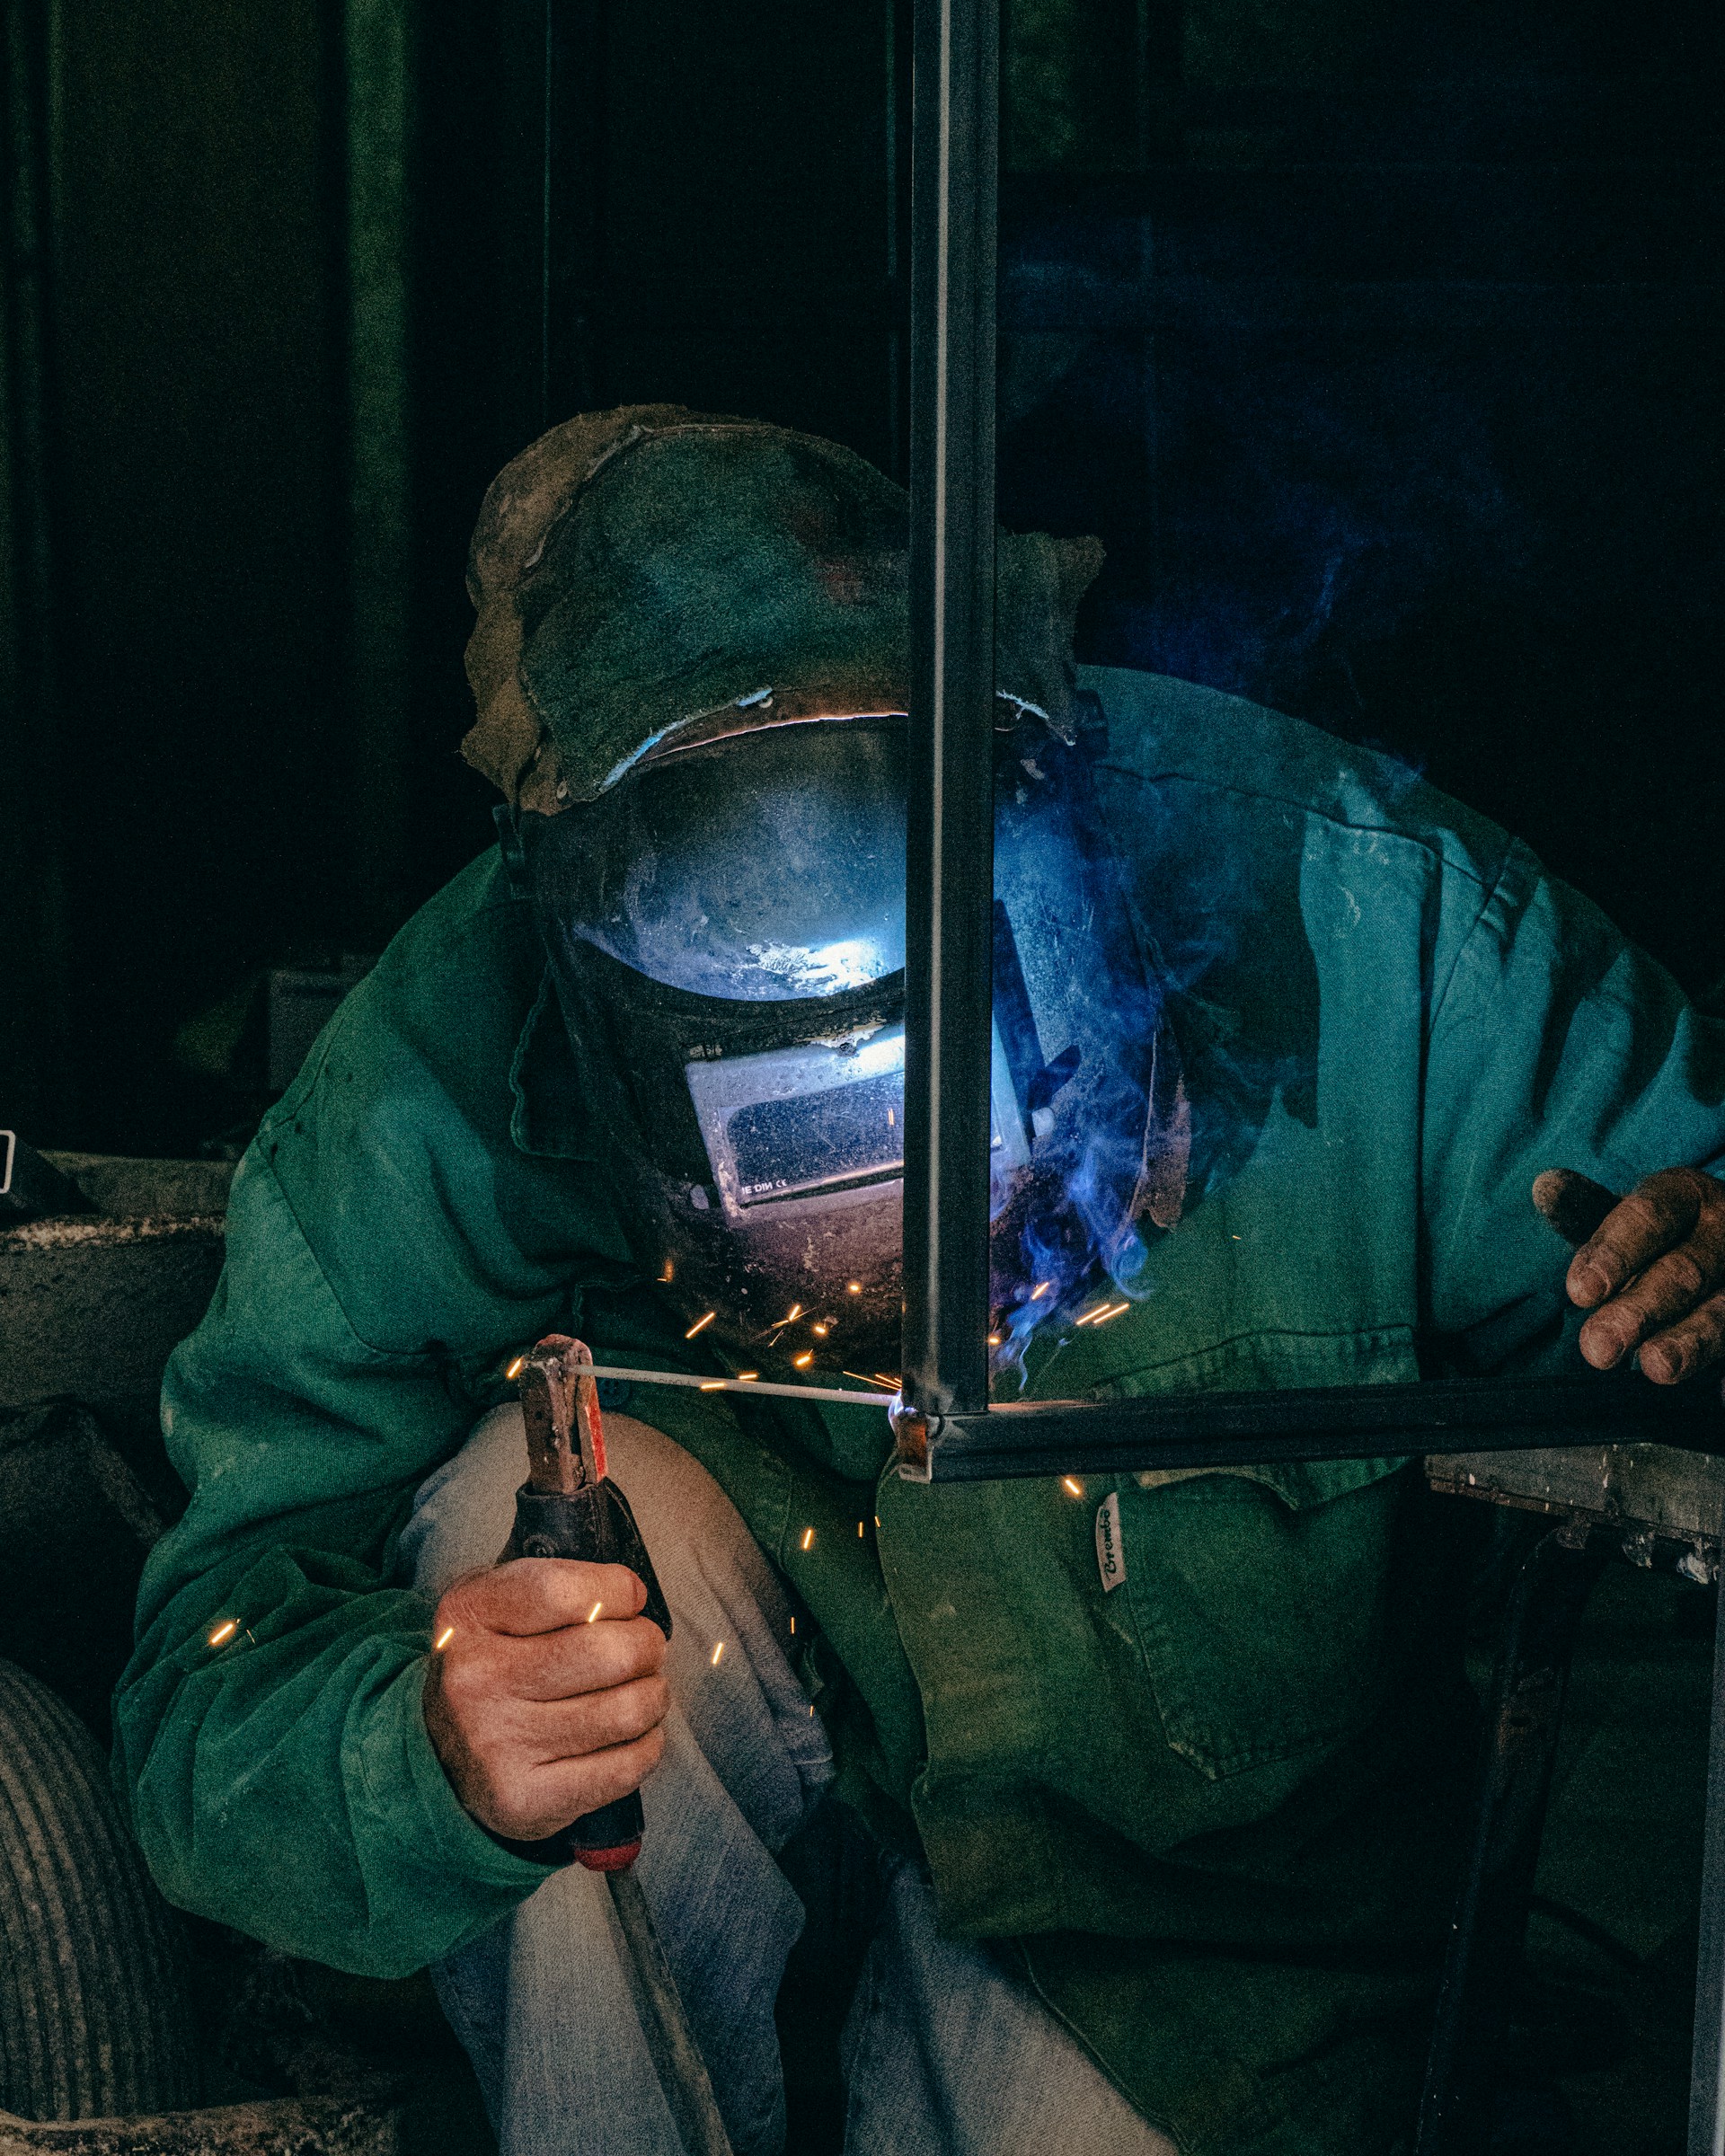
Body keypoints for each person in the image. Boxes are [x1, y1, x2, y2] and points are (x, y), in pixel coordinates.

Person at [114, 408, 1725, 2156]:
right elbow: (208, 1706)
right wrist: (427, 1745)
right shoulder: (444, 1063)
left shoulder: (1372, 915)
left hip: (1182, 1976)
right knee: (534, 1519)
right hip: (684, 1863)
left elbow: (1680, 1249)